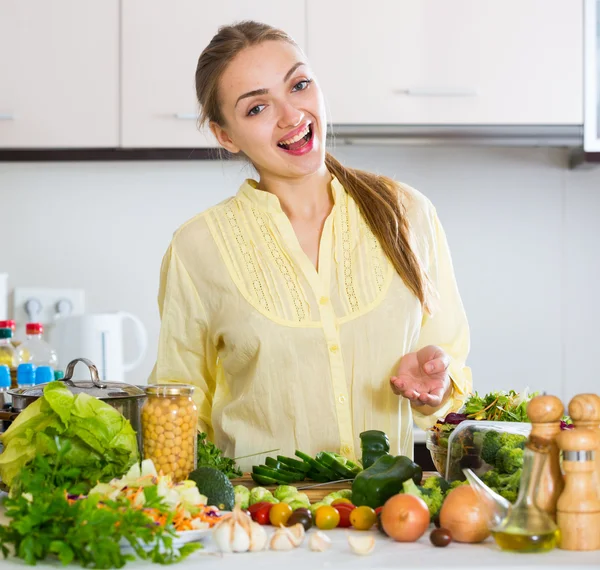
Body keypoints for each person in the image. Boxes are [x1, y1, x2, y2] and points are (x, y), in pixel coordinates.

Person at [150, 21, 472, 471]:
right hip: (259, 525)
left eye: (299, 85)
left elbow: (450, 374)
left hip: (387, 522)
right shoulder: (197, 247)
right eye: (258, 107)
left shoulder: (407, 213)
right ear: (224, 135)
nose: (291, 115)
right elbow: (178, 411)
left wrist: (434, 389)